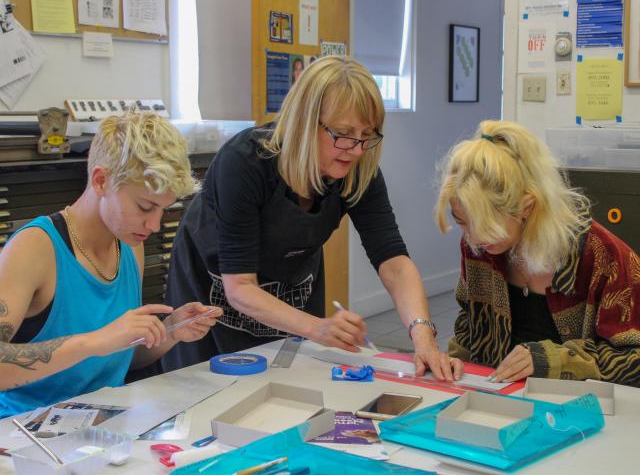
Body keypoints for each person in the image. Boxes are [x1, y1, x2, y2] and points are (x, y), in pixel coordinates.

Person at [161, 56, 455, 380]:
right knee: (209, 392)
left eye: (366, 135)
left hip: (290, 290)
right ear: (304, 122)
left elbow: (394, 263)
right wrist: (318, 327)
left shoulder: (358, 171)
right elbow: (240, 287)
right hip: (216, 295)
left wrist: (422, 336)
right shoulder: (244, 162)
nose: (356, 150)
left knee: (293, 385)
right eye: (342, 134)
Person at [0, 112, 222, 418]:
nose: (155, 225)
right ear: (101, 181)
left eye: (163, 210)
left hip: (106, 426)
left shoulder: (130, 245)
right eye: (145, 207)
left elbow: (119, 357)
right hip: (25, 435)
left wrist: (169, 331)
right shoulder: (34, 248)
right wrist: (94, 341)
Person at [434, 120, 640, 386]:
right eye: (462, 221)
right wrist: (456, 362)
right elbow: (469, 326)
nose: (472, 239)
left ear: (527, 206)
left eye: (486, 226)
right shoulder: (481, 246)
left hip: (578, 412)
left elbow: (633, 357)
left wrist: (554, 359)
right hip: (500, 399)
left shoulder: (603, 256)